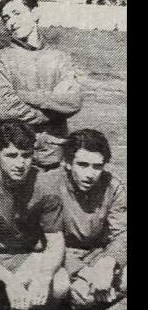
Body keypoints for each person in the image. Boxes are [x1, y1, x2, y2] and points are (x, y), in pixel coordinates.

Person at [0, 120, 69, 310]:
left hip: (26, 257)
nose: (20, 164)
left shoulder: (46, 186)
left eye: (26, 156)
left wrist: (44, 275)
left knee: (60, 282)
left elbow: (56, 242)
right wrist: (11, 281)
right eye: (11, 155)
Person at [0, 0, 83, 171]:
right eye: (6, 18)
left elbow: (74, 101)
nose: (11, 22)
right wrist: (53, 113)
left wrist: (29, 97)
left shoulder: (61, 58)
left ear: (35, 14)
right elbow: (4, 109)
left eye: (17, 13)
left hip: (53, 152)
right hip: (15, 153)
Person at [53, 129, 126, 308]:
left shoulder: (112, 186)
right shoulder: (50, 186)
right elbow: (42, 242)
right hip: (62, 257)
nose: (90, 174)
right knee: (81, 294)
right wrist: (83, 272)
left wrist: (108, 262)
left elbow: (122, 233)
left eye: (97, 166)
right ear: (68, 163)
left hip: (98, 253)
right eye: (83, 164)